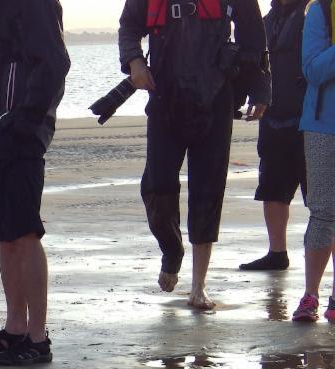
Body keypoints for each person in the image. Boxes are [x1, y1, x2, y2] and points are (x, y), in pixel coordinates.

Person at [119, 0, 270, 310]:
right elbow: (129, 27)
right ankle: (172, 250)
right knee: (157, 186)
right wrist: (135, 61)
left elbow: (253, 36)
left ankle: (198, 286)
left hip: (215, 99)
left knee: (208, 191)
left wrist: (260, 89)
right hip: (165, 98)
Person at [0, 0, 70, 366]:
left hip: (18, 139)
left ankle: (38, 338)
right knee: (3, 235)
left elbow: (54, 64)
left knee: (24, 233)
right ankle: (15, 329)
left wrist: (22, 126)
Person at [240, 0, 308, 272]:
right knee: (272, 188)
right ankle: (277, 253)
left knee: (319, 196)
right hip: (273, 118)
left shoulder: (314, 16)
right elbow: (252, 65)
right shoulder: (265, 21)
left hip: (308, 120)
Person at [290, 0, 335, 322]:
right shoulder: (322, 9)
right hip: (323, 128)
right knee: (323, 212)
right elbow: (313, 71)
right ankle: (311, 295)